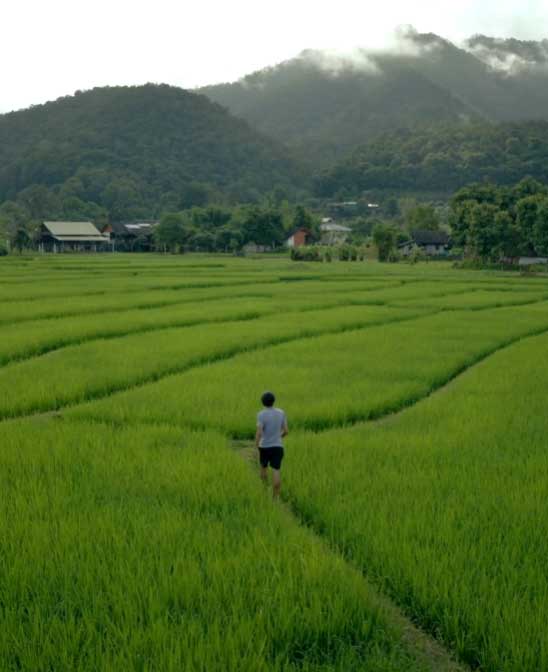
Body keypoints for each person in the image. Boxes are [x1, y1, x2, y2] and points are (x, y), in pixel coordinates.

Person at [255, 391, 288, 498]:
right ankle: (276, 497)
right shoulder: (281, 412)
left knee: (263, 468)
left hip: (264, 446)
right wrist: (278, 437)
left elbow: (259, 432)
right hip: (278, 447)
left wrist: (256, 445)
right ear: (273, 401)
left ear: (262, 402)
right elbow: (286, 431)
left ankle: (264, 491)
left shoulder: (261, 414)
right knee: (276, 470)